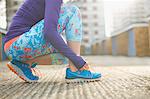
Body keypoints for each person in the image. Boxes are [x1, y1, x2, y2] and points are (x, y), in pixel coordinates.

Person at [3, 0, 101, 82]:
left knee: (67, 56)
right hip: (17, 42)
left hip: (16, 47)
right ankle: (75, 71)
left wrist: (75, 59)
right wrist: (78, 61)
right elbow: (49, 33)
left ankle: (24, 64)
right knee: (73, 11)